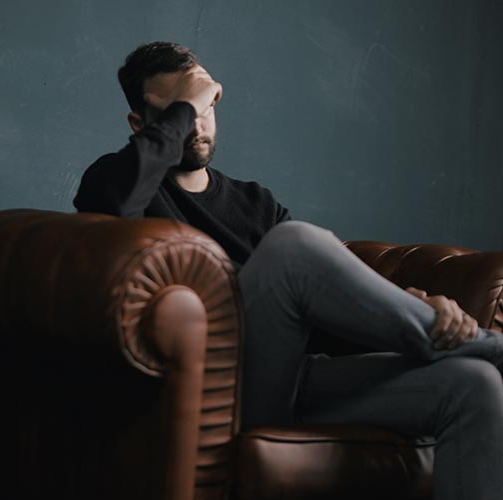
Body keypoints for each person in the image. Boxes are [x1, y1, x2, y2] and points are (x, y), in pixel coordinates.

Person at [73, 41, 503, 500]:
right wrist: (188, 101)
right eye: (182, 109)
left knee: (475, 386)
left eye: (206, 104)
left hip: (295, 380)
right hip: (222, 391)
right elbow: (110, 207)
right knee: (294, 244)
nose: (197, 122)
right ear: (140, 124)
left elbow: (325, 306)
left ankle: (459, 346)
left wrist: (407, 303)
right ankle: (483, 345)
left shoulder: (256, 202)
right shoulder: (117, 181)